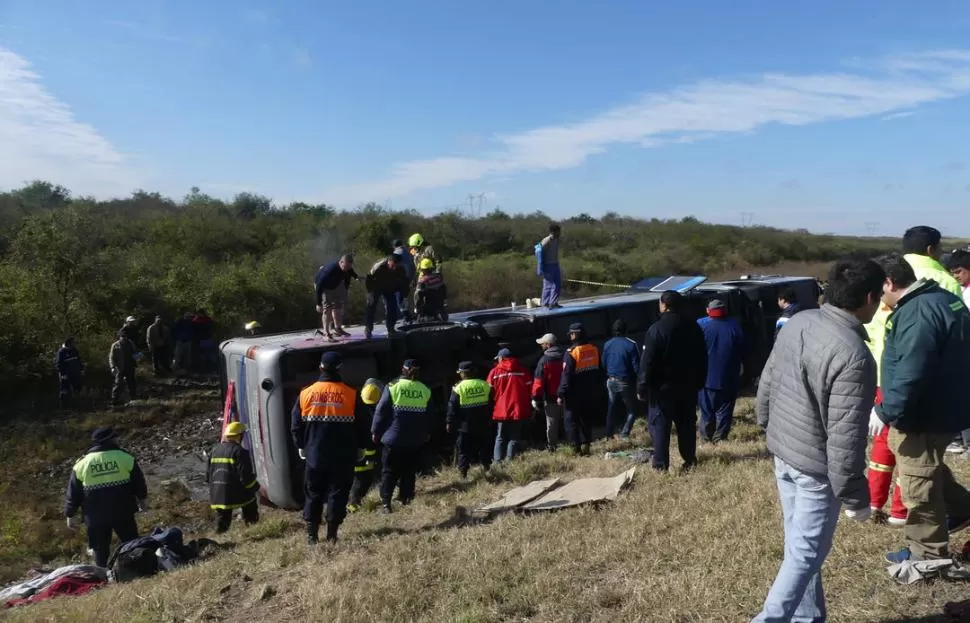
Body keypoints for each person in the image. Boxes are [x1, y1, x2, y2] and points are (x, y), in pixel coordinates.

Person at [752, 259, 883, 622]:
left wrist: (766, 425)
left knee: (797, 546)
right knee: (805, 553)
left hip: (784, 452)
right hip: (814, 469)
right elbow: (845, 439)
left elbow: (768, 380)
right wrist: (856, 497)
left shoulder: (801, 321)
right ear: (869, 297)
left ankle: (807, 617)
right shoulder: (854, 355)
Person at [872, 255, 970, 565]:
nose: (875, 298)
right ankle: (963, 508)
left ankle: (927, 555)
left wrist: (886, 410)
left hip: (923, 413)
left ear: (889, 283)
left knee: (918, 485)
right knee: (926, 469)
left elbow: (913, 371)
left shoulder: (917, 312)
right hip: (942, 406)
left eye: (877, 289)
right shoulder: (941, 298)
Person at [290, 351, 369, 544]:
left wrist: (301, 445)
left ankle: (312, 535)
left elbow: (295, 425)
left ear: (321, 367)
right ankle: (332, 533)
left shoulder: (305, 394)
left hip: (314, 455)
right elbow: (363, 424)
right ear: (340, 368)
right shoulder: (350, 394)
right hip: (343, 456)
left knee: (314, 492)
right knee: (338, 492)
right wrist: (362, 447)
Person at [637, 291, 707, 472]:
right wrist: (700, 380)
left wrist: (642, 386)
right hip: (688, 386)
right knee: (687, 425)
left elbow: (648, 361)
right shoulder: (694, 327)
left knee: (660, 426)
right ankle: (689, 460)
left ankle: (660, 465)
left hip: (662, 389)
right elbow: (702, 357)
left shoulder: (656, 329)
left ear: (663, 305)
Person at [64, 427, 148, 568]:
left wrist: (69, 515)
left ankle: (102, 577)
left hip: (95, 516)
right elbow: (139, 483)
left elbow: (73, 492)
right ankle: (139, 569)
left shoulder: (81, 464)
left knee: (100, 549)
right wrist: (142, 500)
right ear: (111, 440)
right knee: (131, 543)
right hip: (123, 511)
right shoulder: (125, 458)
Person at [372, 359, 433, 513]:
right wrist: (426, 433)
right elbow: (430, 416)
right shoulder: (425, 389)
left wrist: (375, 431)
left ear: (403, 370)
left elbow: (381, 410)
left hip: (393, 438)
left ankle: (386, 502)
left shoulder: (393, 387)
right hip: (415, 439)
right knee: (409, 470)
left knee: (389, 470)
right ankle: (406, 498)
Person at [696, 299, 745, 443]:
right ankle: (720, 438)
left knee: (706, 411)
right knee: (724, 410)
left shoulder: (701, 324)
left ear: (708, 310)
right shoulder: (734, 325)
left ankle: (706, 438)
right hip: (729, 376)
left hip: (705, 377)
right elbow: (743, 349)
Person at [558, 322, 603, 456]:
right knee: (586, 421)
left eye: (571, 333)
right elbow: (599, 371)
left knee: (571, 421)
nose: (570, 336)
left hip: (574, 395)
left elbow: (566, 376)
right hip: (590, 393)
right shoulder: (594, 349)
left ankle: (575, 449)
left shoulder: (572, 353)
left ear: (575, 334)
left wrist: (561, 393)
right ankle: (586, 445)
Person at [207, 421, 260, 533]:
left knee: (223, 520)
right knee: (250, 504)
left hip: (217, 494)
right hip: (235, 493)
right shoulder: (240, 452)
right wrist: (255, 487)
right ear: (239, 436)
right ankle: (253, 528)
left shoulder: (215, 450)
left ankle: (220, 535)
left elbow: (208, 476)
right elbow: (246, 478)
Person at [447, 361, 493, 478]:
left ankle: (463, 474)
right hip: (482, 423)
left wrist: (449, 422)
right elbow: (491, 403)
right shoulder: (484, 385)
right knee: (484, 447)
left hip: (465, 426)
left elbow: (452, 406)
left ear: (463, 373)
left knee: (463, 450)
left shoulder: (458, 388)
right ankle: (487, 469)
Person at [488, 348, 532, 463]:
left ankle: (497, 461)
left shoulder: (494, 372)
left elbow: (490, 391)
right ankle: (509, 460)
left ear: (501, 358)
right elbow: (529, 389)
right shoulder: (523, 370)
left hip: (501, 409)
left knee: (500, 436)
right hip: (518, 408)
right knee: (514, 436)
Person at [348, 378, 384, 513]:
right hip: (372, 450)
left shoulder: (355, 406)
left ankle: (353, 503)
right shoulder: (378, 410)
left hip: (359, 451)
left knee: (359, 478)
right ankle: (355, 504)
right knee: (373, 476)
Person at [602, 319, 640, 439]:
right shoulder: (631, 344)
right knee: (632, 410)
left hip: (611, 380)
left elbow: (603, 363)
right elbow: (636, 367)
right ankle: (624, 433)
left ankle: (608, 434)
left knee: (611, 409)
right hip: (625, 382)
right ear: (626, 330)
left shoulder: (607, 344)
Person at [532, 333, 565, 451]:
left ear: (548, 345)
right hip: (566, 394)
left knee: (551, 424)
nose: (541, 346)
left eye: (542, 344)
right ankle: (571, 442)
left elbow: (538, 382)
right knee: (568, 420)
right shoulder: (565, 355)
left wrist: (536, 398)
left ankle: (552, 447)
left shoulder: (544, 360)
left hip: (551, 397)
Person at [314, 254, 358, 340]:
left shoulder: (347, 267)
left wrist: (356, 277)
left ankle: (338, 329)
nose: (347, 269)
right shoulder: (330, 270)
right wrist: (318, 303)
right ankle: (326, 333)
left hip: (334, 285)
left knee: (338, 305)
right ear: (341, 262)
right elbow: (319, 286)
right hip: (323, 286)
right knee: (327, 308)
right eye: (345, 266)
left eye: (349, 266)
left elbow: (350, 271)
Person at [364, 255, 409, 339]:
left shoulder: (402, 268)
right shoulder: (379, 265)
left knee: (392, 306)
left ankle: (391, 327)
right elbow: (369, 277)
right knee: (371, 305)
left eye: (396, 266)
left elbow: (405, 282)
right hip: (376, 285)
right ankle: (368, 328)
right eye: (392, 265)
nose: (394, 268)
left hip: (389, 286)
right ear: (388, 262)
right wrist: (369, 292)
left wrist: (404, 295)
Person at [536, 223, 563, 309]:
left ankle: (552, 302)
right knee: (550, 285)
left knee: (557, 284)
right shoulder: (546, 240)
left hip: (555, 264)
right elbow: (538, 250)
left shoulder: (557, 239)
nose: (560, 233)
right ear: (553, 232)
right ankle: (547, 303)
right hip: (548, 265)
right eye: (558, 231)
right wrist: (540, 266)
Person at [109, 330, 137, 406]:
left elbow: (135, 352)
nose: (124, 338)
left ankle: (133, 398)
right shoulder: (115, 345)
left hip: (130, 366)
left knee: (132, 383)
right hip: (119, 368)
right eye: (123, 336)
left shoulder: (130, 343)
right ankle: (114, 399)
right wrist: (112, 367)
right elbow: (111, 358)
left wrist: (139, 358)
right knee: (117, 384)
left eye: (125, 336)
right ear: (119, 337)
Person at [55, 337, 84, 407]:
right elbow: (58, 364)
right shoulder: (61, 352)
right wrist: (63, 374)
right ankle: (64, 406)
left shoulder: (75, 351)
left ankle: (75, 405)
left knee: (77, 389)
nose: (74, 344)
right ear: (68, 343)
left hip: (75, 373)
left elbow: (79, 361)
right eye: (73, 342)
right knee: (65, 390)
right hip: (65, 375)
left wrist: (81, 369)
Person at [392, 239, 416, 321]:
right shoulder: (408, 253)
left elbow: (393, 267)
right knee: (406, 299)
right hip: (408, 280)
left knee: (398, 300)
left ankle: (406, 316)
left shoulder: (396, 253)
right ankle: (410, 315)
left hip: (399, 280)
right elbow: (413, 267)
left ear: (394, 246)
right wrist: (412, 279)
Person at [192, 309, 216, 373]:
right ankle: (208, 368)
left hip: (205, 339)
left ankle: (211, 368)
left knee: (207, 354)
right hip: (203, 339)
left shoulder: (201, 320)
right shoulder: (207, 320)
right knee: (205, 354)